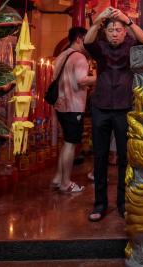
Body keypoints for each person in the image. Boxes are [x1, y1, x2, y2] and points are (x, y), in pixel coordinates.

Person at [84, 7, 143, 221]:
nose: (114, 33)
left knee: (124, 158)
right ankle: (99, 204)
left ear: (124, 32)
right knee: (100, 157)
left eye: (118, 30)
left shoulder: (131, 47)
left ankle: (123, 203)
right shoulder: (100, 47)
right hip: (101, 106)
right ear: (106, 32)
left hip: (124, 107)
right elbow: (86, 41)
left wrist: (127, 20)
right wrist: (98, 21)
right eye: (111, 29)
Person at [50, 27, 96, 193]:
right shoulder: (79, 57)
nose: (89, 43)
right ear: (79, 38)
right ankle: (66, 183)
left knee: (66, 143)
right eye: (87, 39)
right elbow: (81, 80)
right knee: (70, 144)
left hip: (60, 105)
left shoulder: (62, 55)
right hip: (73, 106)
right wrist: (100, 77)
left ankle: (58, 177)